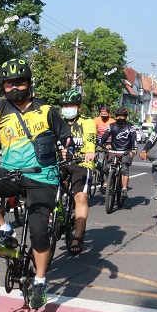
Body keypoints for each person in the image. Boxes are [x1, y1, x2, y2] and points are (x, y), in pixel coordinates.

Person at [0, 58, 71, 310]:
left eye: (19, 82)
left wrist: (67, 149)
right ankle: (6, 229)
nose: (14, 88)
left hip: (41, 177)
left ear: (29, 83)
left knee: (40, 232)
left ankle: (40, 281)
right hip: (10, 173)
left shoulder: (47, 110)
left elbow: (65, 135)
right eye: (8, 84)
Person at [58, 89, 96, 256]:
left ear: (78, 107)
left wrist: (90, 151)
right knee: (45, 189)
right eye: (65, 105)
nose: (68, 108)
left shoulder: (87, 123)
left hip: (81, 163)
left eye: (71, 105)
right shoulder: (57, 122)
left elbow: (90, 139)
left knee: (80, 197)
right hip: (60, 163)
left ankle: (78, 236)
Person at [98, 107, 138, 197]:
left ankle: (124, 189)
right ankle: (107, 182)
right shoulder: (111, 126)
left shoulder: (130, 127)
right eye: (118, 116)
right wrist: (100, 145)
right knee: (107, 168)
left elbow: (133, 139)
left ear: (126, 117)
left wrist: (134, 149)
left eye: (122, 116)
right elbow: (104, 136)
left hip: (126, 151)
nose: (120, 118)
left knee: (124, 168)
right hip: (113, 151)